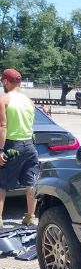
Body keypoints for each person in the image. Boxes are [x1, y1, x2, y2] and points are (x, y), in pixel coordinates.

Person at [0, 68, 38, 228]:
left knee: (2, 184)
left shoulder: (4, 99)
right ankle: (30, 217)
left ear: (7, 81)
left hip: (12, 146)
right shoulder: (29, 102)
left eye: (3, 81)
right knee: (30, 183)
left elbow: (2, 126)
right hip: (29, 146)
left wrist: (1, 150)